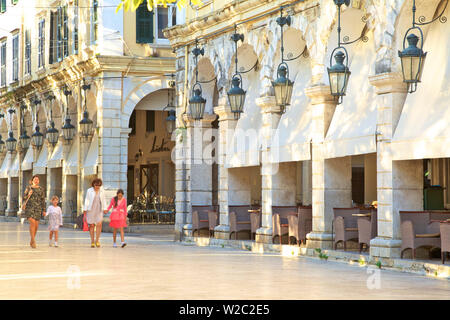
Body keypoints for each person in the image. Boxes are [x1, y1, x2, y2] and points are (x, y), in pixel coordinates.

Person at [83, 178, 107, 248]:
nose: (97, 187)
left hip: (99, 209)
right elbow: (87, 200)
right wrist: (85, 209)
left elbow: (104, 200)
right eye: (96, 185)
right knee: (92, 225)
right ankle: (92, 241)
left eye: (99, 185)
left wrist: (105, 208)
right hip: (91, 209)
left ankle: (97, 240)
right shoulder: (89, 190)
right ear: (93, 184)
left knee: (99, 224)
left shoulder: (102, 191)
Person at [22, 175, 46, 248]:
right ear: (32, 181)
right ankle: (33, 240)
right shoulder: (28, 188)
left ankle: (32, 240)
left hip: (38, 209)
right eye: (35, 179)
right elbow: (24, 197)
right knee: (32, 223)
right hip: (29, 208)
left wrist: (44, 210)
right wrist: (28, 194)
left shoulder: (41, 189)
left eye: (37, 179)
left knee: (36, 225)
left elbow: (43, 200)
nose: (36, 180)